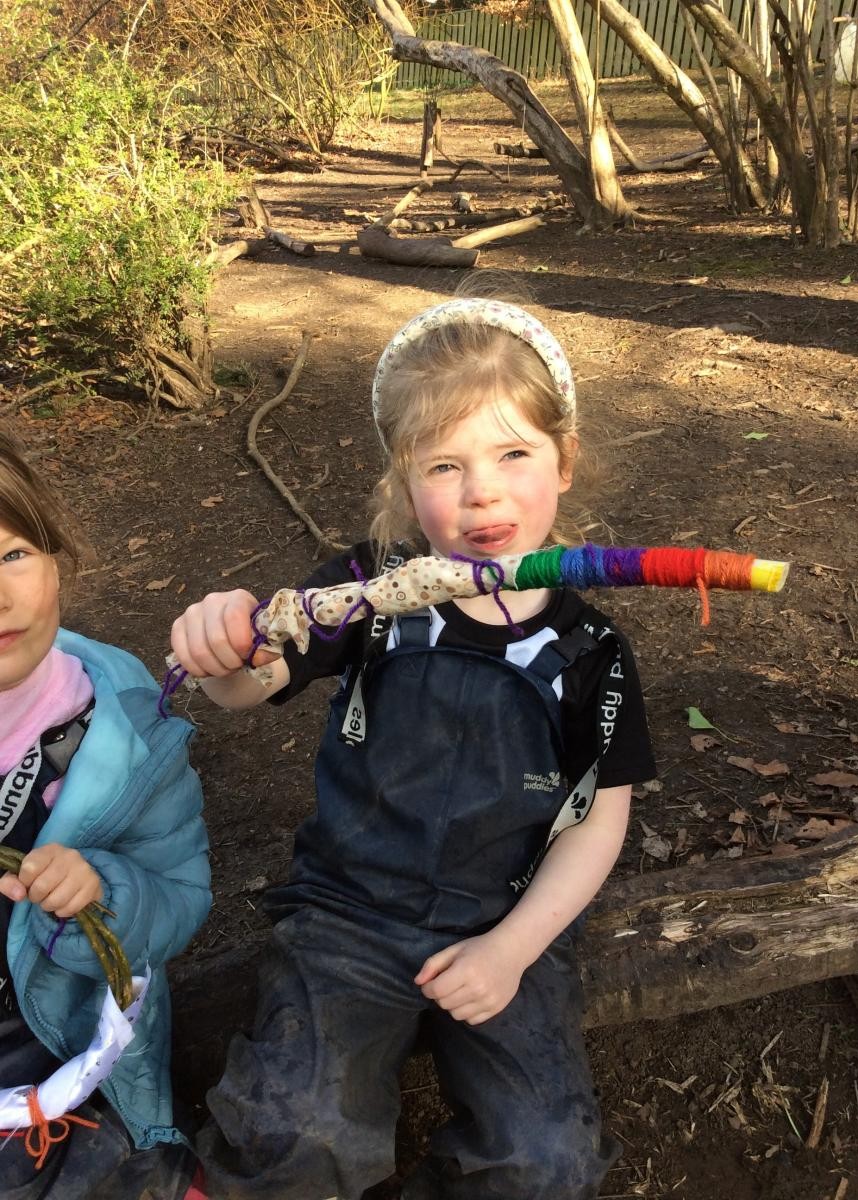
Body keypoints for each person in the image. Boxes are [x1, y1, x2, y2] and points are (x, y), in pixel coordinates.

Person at [171, 295, 656, 1200]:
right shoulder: (366, 589)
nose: (483, 492)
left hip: (507, 924)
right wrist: (221, 648)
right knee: (292, 1130)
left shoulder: (592, 653)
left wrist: (511, 949)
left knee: (545, 1163)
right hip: (348, 918)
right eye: (445, 464)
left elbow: (598, 822)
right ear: (403, 481)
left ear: (565, 460)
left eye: (515, 454)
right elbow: (251, 683)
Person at [0, 428, 211, 1200]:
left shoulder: (124, 734)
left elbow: (183, 897)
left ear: (58, 559)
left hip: (75, 1063)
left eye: (13, 554)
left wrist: (103, 896)